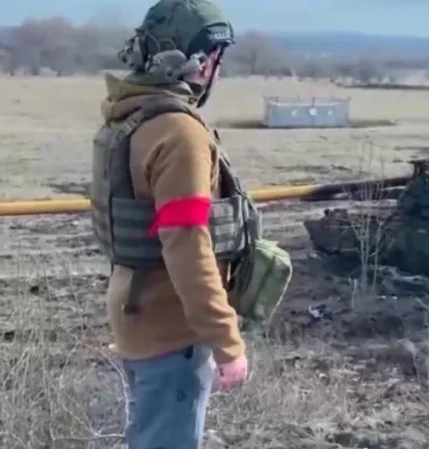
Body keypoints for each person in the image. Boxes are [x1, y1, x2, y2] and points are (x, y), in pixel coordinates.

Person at [88, 1, 250, 447]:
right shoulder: (179, 133)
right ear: (202, 62)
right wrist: (226, 340)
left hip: (138, 314)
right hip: (170, 328)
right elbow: (188, 244)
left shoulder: (132, 116)